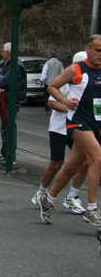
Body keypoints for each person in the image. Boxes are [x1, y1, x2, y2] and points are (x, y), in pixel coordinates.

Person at [35, 37, 101, 227]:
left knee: (73, 167)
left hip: (95, 124)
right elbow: (52, 87)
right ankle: (91, 208)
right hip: (78, 123)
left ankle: (47, 200)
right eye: (97, 50)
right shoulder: (76, 69)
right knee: (98, 160)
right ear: (87, 49)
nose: (100, 55)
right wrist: (65, 102)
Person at [31, 52, 88, 214]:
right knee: (56, 163)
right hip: (59, 127)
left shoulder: (89, 81)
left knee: (85, 162)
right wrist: (68, 108)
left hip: (79, 127)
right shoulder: (66, 80)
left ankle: (72, 197)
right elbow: (51, 102)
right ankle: (41, 193)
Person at [0, 42, 26, 165]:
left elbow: (4, 80)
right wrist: (0, 78)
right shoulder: (9, 64)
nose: (2, 53)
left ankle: (11, 156)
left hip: (11, 99)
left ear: (8, 52)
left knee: (9, 128)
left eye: (3, 51)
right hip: (5, 99)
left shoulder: (16, 66)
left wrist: (1, 78)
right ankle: (5, 154)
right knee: (4, 128)